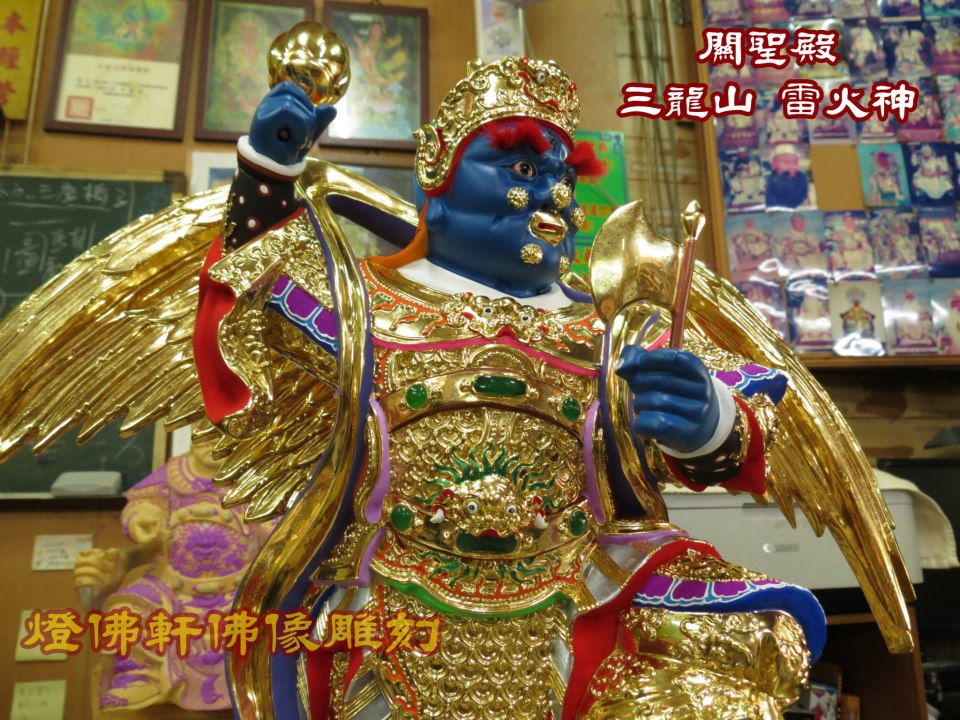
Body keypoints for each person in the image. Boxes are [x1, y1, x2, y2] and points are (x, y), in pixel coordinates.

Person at [193, 56, 824, 719]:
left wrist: (708, 421)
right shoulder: (363, 306)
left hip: (585, 594)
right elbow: (249, 307)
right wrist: (267, 174)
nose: (552, 193)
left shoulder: (614, 323)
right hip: (393, 598)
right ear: (436, 169)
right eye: (522, 170)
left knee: (755, 645)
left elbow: (749, 413)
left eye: (562, 177)